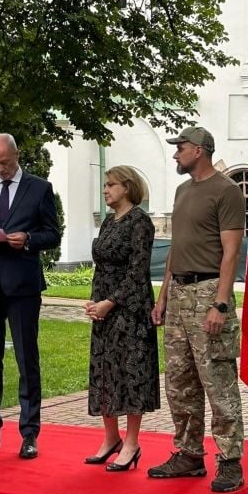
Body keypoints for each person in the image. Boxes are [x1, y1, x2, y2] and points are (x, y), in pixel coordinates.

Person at [147, 127, 246, 493]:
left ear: (200, 151)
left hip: (208, 293)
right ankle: (188, 454)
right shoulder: (182, 190)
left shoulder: (226, 191)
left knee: (217, 382)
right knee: (179, 381)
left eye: (181, 148)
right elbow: (177, 246)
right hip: (178, 293)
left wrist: (220, 303)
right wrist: (163, 296)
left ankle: (230, 460)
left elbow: (231, 251)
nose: (175, 154)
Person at [0, 133, 61, 459]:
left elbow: (53, 233)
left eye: (4, 162)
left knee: (25, 359)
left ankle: (29, 433)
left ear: (16, 155)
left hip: (22, 285)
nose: (0, 168)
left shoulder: (39, 188)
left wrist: (28, 238)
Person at [83, 165, 160, 472]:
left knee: (130, 373)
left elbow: (138, 271)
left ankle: (131, 442)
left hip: (129, 310)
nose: (105, 190)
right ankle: (110, 437)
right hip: (103, 308)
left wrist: (110, 302)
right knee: (104, 370)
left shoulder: (139, 221)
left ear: (126, 187)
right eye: (105, 184)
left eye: (110, 184)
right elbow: (102, 266)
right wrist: (94, 302)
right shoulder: (107, 222)